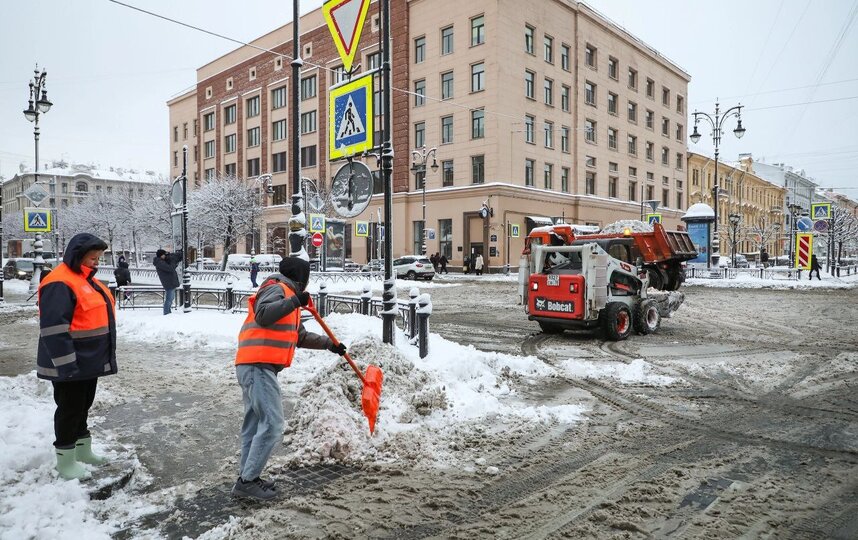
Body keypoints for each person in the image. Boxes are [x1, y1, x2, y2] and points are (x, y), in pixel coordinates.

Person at [232, 257, 348, 501]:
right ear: (301, 277)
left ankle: (247, 477)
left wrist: (330, 345)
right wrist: (295, 300)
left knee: (254, 426)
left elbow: (299, 336)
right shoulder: (276, 287)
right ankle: (248, 481)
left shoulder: (286, 296)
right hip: (258, 365)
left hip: (255, 365)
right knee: (273, 424)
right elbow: (263, 315)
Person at [37, 233, 116, 480]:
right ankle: (65, 460)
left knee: (83, 406)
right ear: (77, 255)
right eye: (92, 257)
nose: (96, 262)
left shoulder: (85, 279)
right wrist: (66, 365)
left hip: (87, 362)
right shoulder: (60, 282)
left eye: (98, 257)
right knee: (69, 409)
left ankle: (83, 451)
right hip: (70, 363)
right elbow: (53, 329)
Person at [153, 249, 182, 315]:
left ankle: (168, 312)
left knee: (171, 298)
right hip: (168, 283)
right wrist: (173, 262)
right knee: (169, 299)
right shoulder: (159, 262)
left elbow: (170, 267)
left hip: (170, 282)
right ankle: (166, 313)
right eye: (164, 255)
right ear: (161, 255)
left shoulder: (162, 261)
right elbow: (170, 268)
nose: (165, 256)